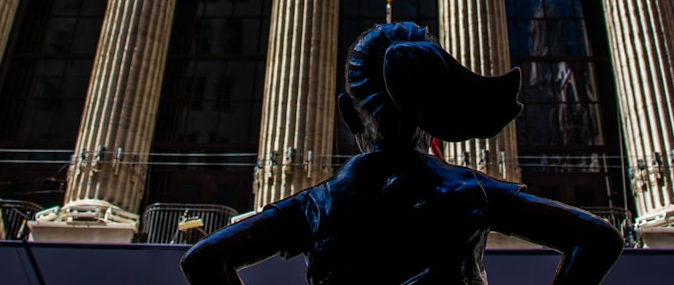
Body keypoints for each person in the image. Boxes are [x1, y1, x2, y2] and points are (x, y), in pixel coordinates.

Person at [181, 22, 624, 285]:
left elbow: (203, 258)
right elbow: (598, 238)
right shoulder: (472, 192)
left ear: (348, 116)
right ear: (433, 113)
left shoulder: (317, 205)